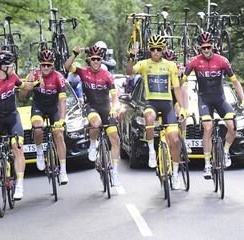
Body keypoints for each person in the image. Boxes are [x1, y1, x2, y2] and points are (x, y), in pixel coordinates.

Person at [182, 32, 244, 179]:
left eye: (208, 47)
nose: (206, 50)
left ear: (213, 45)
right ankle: (207, 164)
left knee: (232, 126)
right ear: (199, 47)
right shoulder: (194, 62)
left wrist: (243, 99)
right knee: (208, 128)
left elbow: (235, 82)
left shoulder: (222, 61)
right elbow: (183, 82)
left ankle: (225, 152)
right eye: (203, 47)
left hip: (220, 99)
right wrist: (183, 104)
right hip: (204, 100)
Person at [126, 35, 187, 190]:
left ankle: (175, 174)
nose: (155, 52)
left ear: (163, 50)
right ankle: (152, 152)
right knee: (149, 116)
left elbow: (177, 88)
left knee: (174, 140)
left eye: (158, 49)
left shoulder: (170, 66)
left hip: (167, 105)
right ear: (149, 50)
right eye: (152, 49)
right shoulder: (145, 64)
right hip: (151, 103)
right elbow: (129, 72)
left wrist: (183, 107)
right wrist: (131, 57)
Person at [64, 45, 122, 186]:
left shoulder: (107, 75)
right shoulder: (83, 72)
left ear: (101, 60)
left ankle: (115, 173)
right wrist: (74, 54)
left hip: (106, 108)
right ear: (89, 60)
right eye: (93, 59)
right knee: (95, 123)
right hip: (91, 107)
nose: (96, 61)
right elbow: (67, 66)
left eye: (98, 59)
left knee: (115, 139)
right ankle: (92, 144)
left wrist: (115, 108)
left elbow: (114, 96)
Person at [0, 50, 35, 200]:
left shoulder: (13, 77)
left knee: (17, 147)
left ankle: (19, 186)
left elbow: (25, 87)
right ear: (3, 68)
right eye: (11, 65)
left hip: (12, 118)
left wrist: (34, 81)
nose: (13, 68)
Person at [22, 50, 69, 185]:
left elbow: (62, 101)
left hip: (54, 108)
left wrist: (62, 119)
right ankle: (39, 153)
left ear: (53, 65)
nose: (46, 67)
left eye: (49, 65)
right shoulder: (35, 74)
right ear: (40, 65)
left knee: (59, 135)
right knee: (37, 129)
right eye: (43, 65)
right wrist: (30, 82)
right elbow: (22, 96)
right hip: (39, 107)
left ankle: (63, 171)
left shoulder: (58, 77)